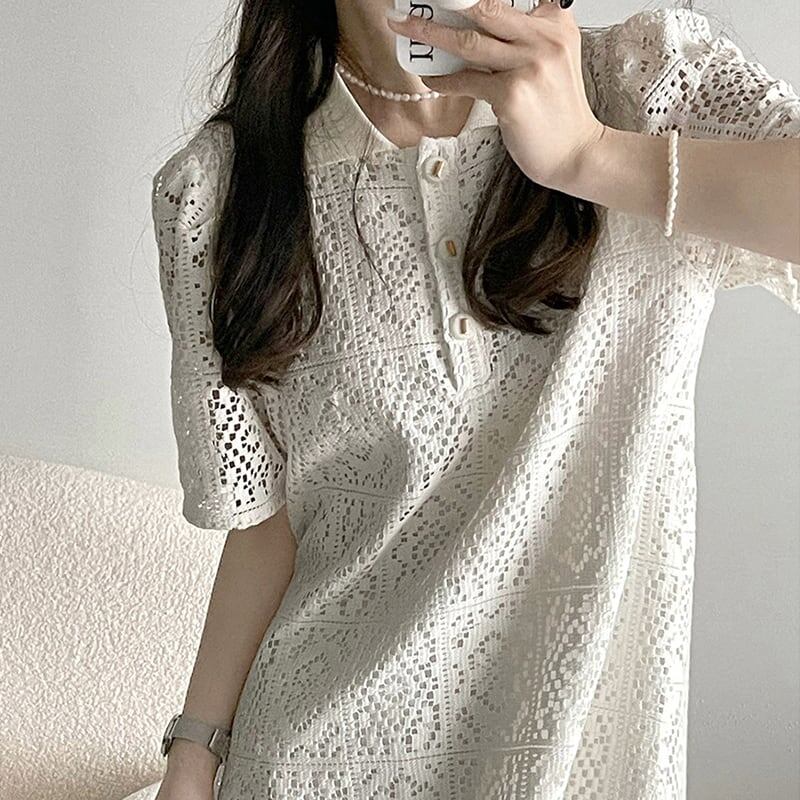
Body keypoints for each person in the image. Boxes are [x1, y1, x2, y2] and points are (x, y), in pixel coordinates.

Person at [149, 1, 800, 798]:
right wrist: (193, 758)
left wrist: (591, 155)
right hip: (307, 761)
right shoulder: (217, 191)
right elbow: (270, 527)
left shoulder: (645, 85)